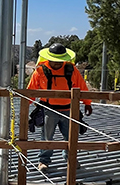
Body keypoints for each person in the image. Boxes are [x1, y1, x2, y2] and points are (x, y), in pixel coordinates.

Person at [27, 43, 93, 171]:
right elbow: (31, 91)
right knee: (47, 137)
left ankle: (70, 158)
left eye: (60, 61)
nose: (57, 64)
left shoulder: (71, 70)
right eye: (55, 61)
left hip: (69, 109)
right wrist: (24, 108)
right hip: (49, 109)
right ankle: (43, 161)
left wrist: (87, 103)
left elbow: (82, 87)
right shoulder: (40, 71)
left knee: (71, 136)